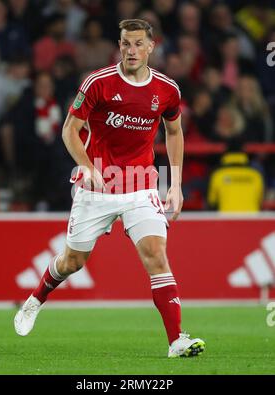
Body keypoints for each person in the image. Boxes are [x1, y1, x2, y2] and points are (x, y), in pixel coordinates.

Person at [14, 19, 205, 358]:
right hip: (98, 185)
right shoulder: (98, 83)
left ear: (150, 47)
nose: (131, 50)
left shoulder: (166, 89)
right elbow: (69, 131)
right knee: (73, 261)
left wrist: (175, 185)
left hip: (141, 184)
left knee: (156, 256)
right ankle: (35, 300)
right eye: (125, 44)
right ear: (119, 46)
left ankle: (176, 340)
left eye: (137, 44)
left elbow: (174, 133)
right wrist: (87, 167)